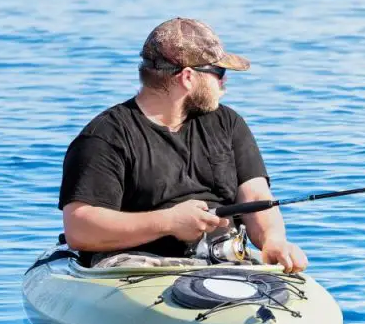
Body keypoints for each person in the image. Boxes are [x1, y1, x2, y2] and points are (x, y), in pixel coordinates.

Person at [58, 17, 307, 272]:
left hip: (222, 261)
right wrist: (168, 222)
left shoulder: (228, 123)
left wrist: (273, 241)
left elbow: (256, 195)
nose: (224, 84)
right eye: (219, 74)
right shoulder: (106, 137)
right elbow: (79, 229)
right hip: (138, 270)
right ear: (187, 77)